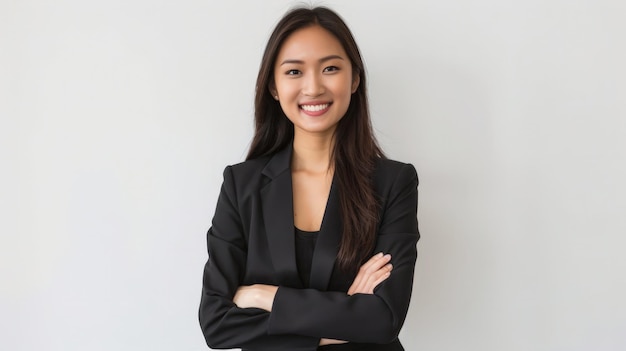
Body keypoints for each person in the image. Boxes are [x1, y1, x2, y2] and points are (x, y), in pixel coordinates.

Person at [199, 6, 419, 351]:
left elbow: (383, 320)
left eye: (330, 68)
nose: (313, 87)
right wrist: (347, 317)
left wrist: (266, 296)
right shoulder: (241, 185)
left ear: (355, 79)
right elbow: (217, 325)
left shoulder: (393, 182)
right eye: (294, 71)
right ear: (273, 86)